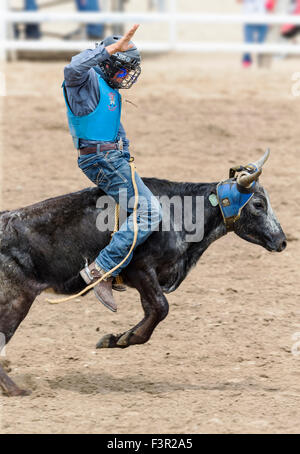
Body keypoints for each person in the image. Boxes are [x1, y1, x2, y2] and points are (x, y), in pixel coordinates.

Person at [62, 25, 162, 312]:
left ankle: (118, 269)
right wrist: (110, 49)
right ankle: (99, 270)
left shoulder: (109, 89)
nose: (125, 78)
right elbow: (72, 68)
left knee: (135, 207)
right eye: (121, 70)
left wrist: (126, 155)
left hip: (111, 158)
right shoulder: (83, 82)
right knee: (149, 211)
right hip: (101, 159)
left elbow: (116, 130)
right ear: (106, 62)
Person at [237, 0, 275, 67]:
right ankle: (246, 61)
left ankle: (261, 62)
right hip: (249, 19)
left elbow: (270, 6)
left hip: (263, 19)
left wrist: (270, 19)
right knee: (248, 42)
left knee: (262, 42)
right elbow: (238, 1)